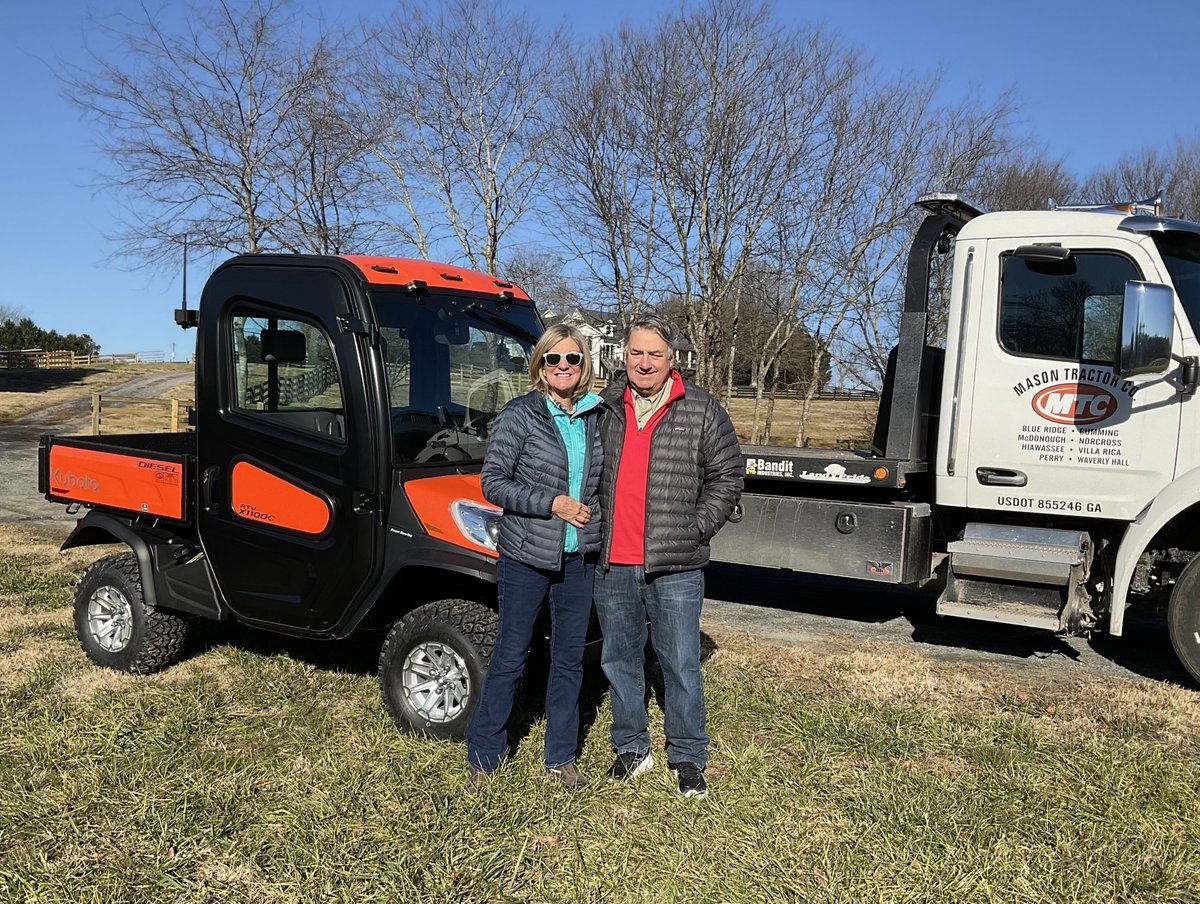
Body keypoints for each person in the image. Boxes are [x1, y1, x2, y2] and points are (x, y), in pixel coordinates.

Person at [594, 314, 743, 798]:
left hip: (676, 564)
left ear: (672, 358)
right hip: (613, 560)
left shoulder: (700, 409)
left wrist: (696, 528)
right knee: (619, 657)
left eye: (654, 354)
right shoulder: (605, 407)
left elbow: (728, 476)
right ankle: (632, 747)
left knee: (679, 662)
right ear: (624, 356)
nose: (644, 362)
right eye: (636, 353)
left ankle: (687, 756)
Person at [466, 324, 604, 792]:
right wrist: (552, 502)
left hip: (579, 559)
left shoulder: (595, 416)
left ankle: (560, 758)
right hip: (526, 554)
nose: (563, 367)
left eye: (573, 359)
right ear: (539, 366)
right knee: (511, 654)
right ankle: (485, 756)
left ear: (585, 365)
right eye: (553, 359)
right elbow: (493, 483)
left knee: (568, 660)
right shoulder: (519, 415)